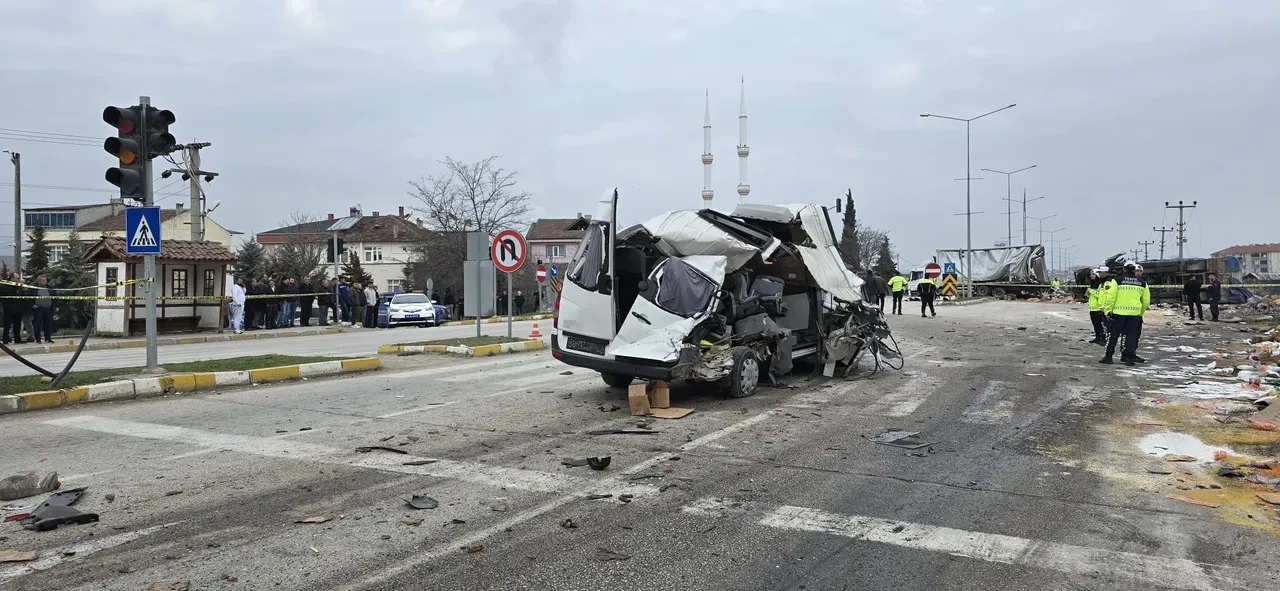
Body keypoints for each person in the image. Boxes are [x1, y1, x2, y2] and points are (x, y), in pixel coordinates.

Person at [1101, 262, 1149, 366]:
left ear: (1124, 269)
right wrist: (1140, 313)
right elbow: (1146, 301)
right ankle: (1129, 359)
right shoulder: (1142, 283)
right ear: (1134, 270)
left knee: (1113, 335)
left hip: (1118, 313)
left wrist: (1107, 310)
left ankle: (1109, 357)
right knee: (1131, 336)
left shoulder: (1117, 281)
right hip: (1134, 314)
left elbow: (1110, 297)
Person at [1, 272, 32, 344]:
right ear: (12, 278)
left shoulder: (18, 287)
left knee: (17, 325)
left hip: (18, 309)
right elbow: (3, 298)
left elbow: (23, 297)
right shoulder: (5, 286)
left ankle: (17, 339)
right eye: (17, 278)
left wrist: (29, 305)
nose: (19, 279)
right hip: (9, 309)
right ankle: (5, 339)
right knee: (7, 325)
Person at [1087, 266, 1110, 345]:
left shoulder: (1100, 284)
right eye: (1091, 274)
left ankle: (1102, 338)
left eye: (1093, 274)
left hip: (1098, 308)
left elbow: (1099, 295)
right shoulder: (1093, 284)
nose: (1091, 276)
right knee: (1095, 324)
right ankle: (1097, 337)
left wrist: (1091, 291)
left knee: (1100, 325)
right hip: (1092, 308)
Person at [32, 275, 55, 344]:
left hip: (48, 308)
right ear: (39, 281)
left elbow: (55, 297)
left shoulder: (50, 288)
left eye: (45, 280)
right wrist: (32, 305)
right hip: (38, 308)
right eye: (43, 280)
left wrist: (56, 306)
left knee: (48, 324)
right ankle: (38, 339)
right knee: (38, 324)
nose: (45, 281)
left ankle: (48, 338)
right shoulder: (34, 288)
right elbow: (28, 298)